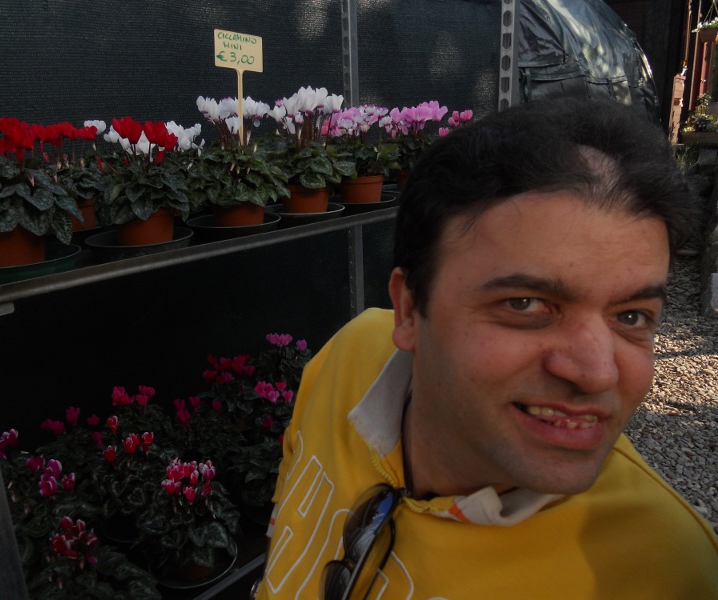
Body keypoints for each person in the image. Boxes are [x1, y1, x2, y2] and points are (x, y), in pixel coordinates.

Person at [255, 96, 718, 599]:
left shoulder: (666, 572)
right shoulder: (351, 357)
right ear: (408, 310)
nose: (597, 372)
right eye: (525, 304)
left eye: (631, 317)